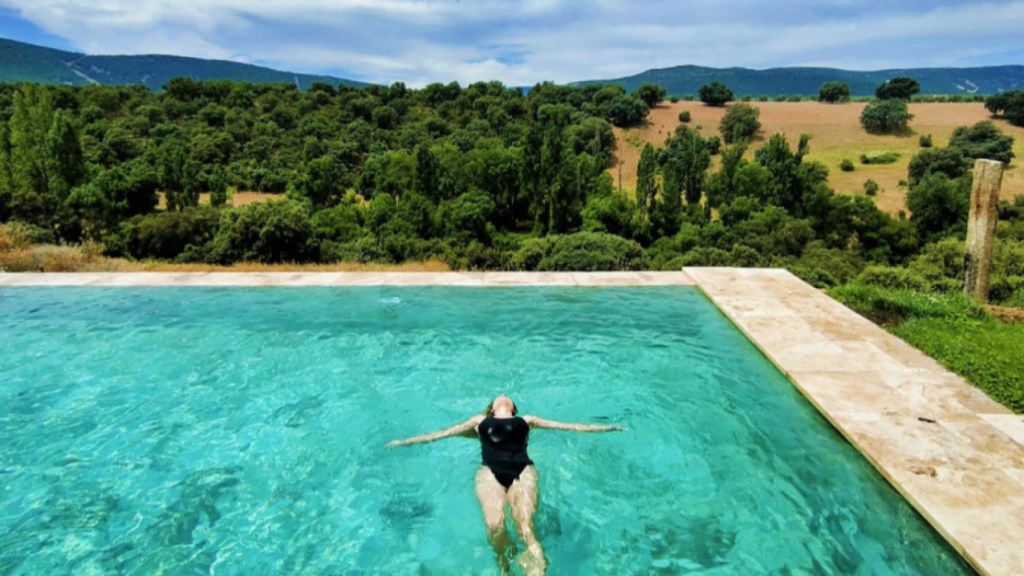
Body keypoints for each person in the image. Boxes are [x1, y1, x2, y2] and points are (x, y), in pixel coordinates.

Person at [387, 394, 625, 576]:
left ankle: (536, 570)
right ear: (491, 408)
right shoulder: (478, 421)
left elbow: (569, 425)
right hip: (490, 474)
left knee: (526, 528)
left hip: (524, 472)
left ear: (513, 408)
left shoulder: (527, 420)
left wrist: (607, 427)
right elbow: (440, 434)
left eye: (507, 397)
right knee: (495, 526)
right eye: (498, 397)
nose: (502, 394)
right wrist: (403, 441)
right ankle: (505, 565)